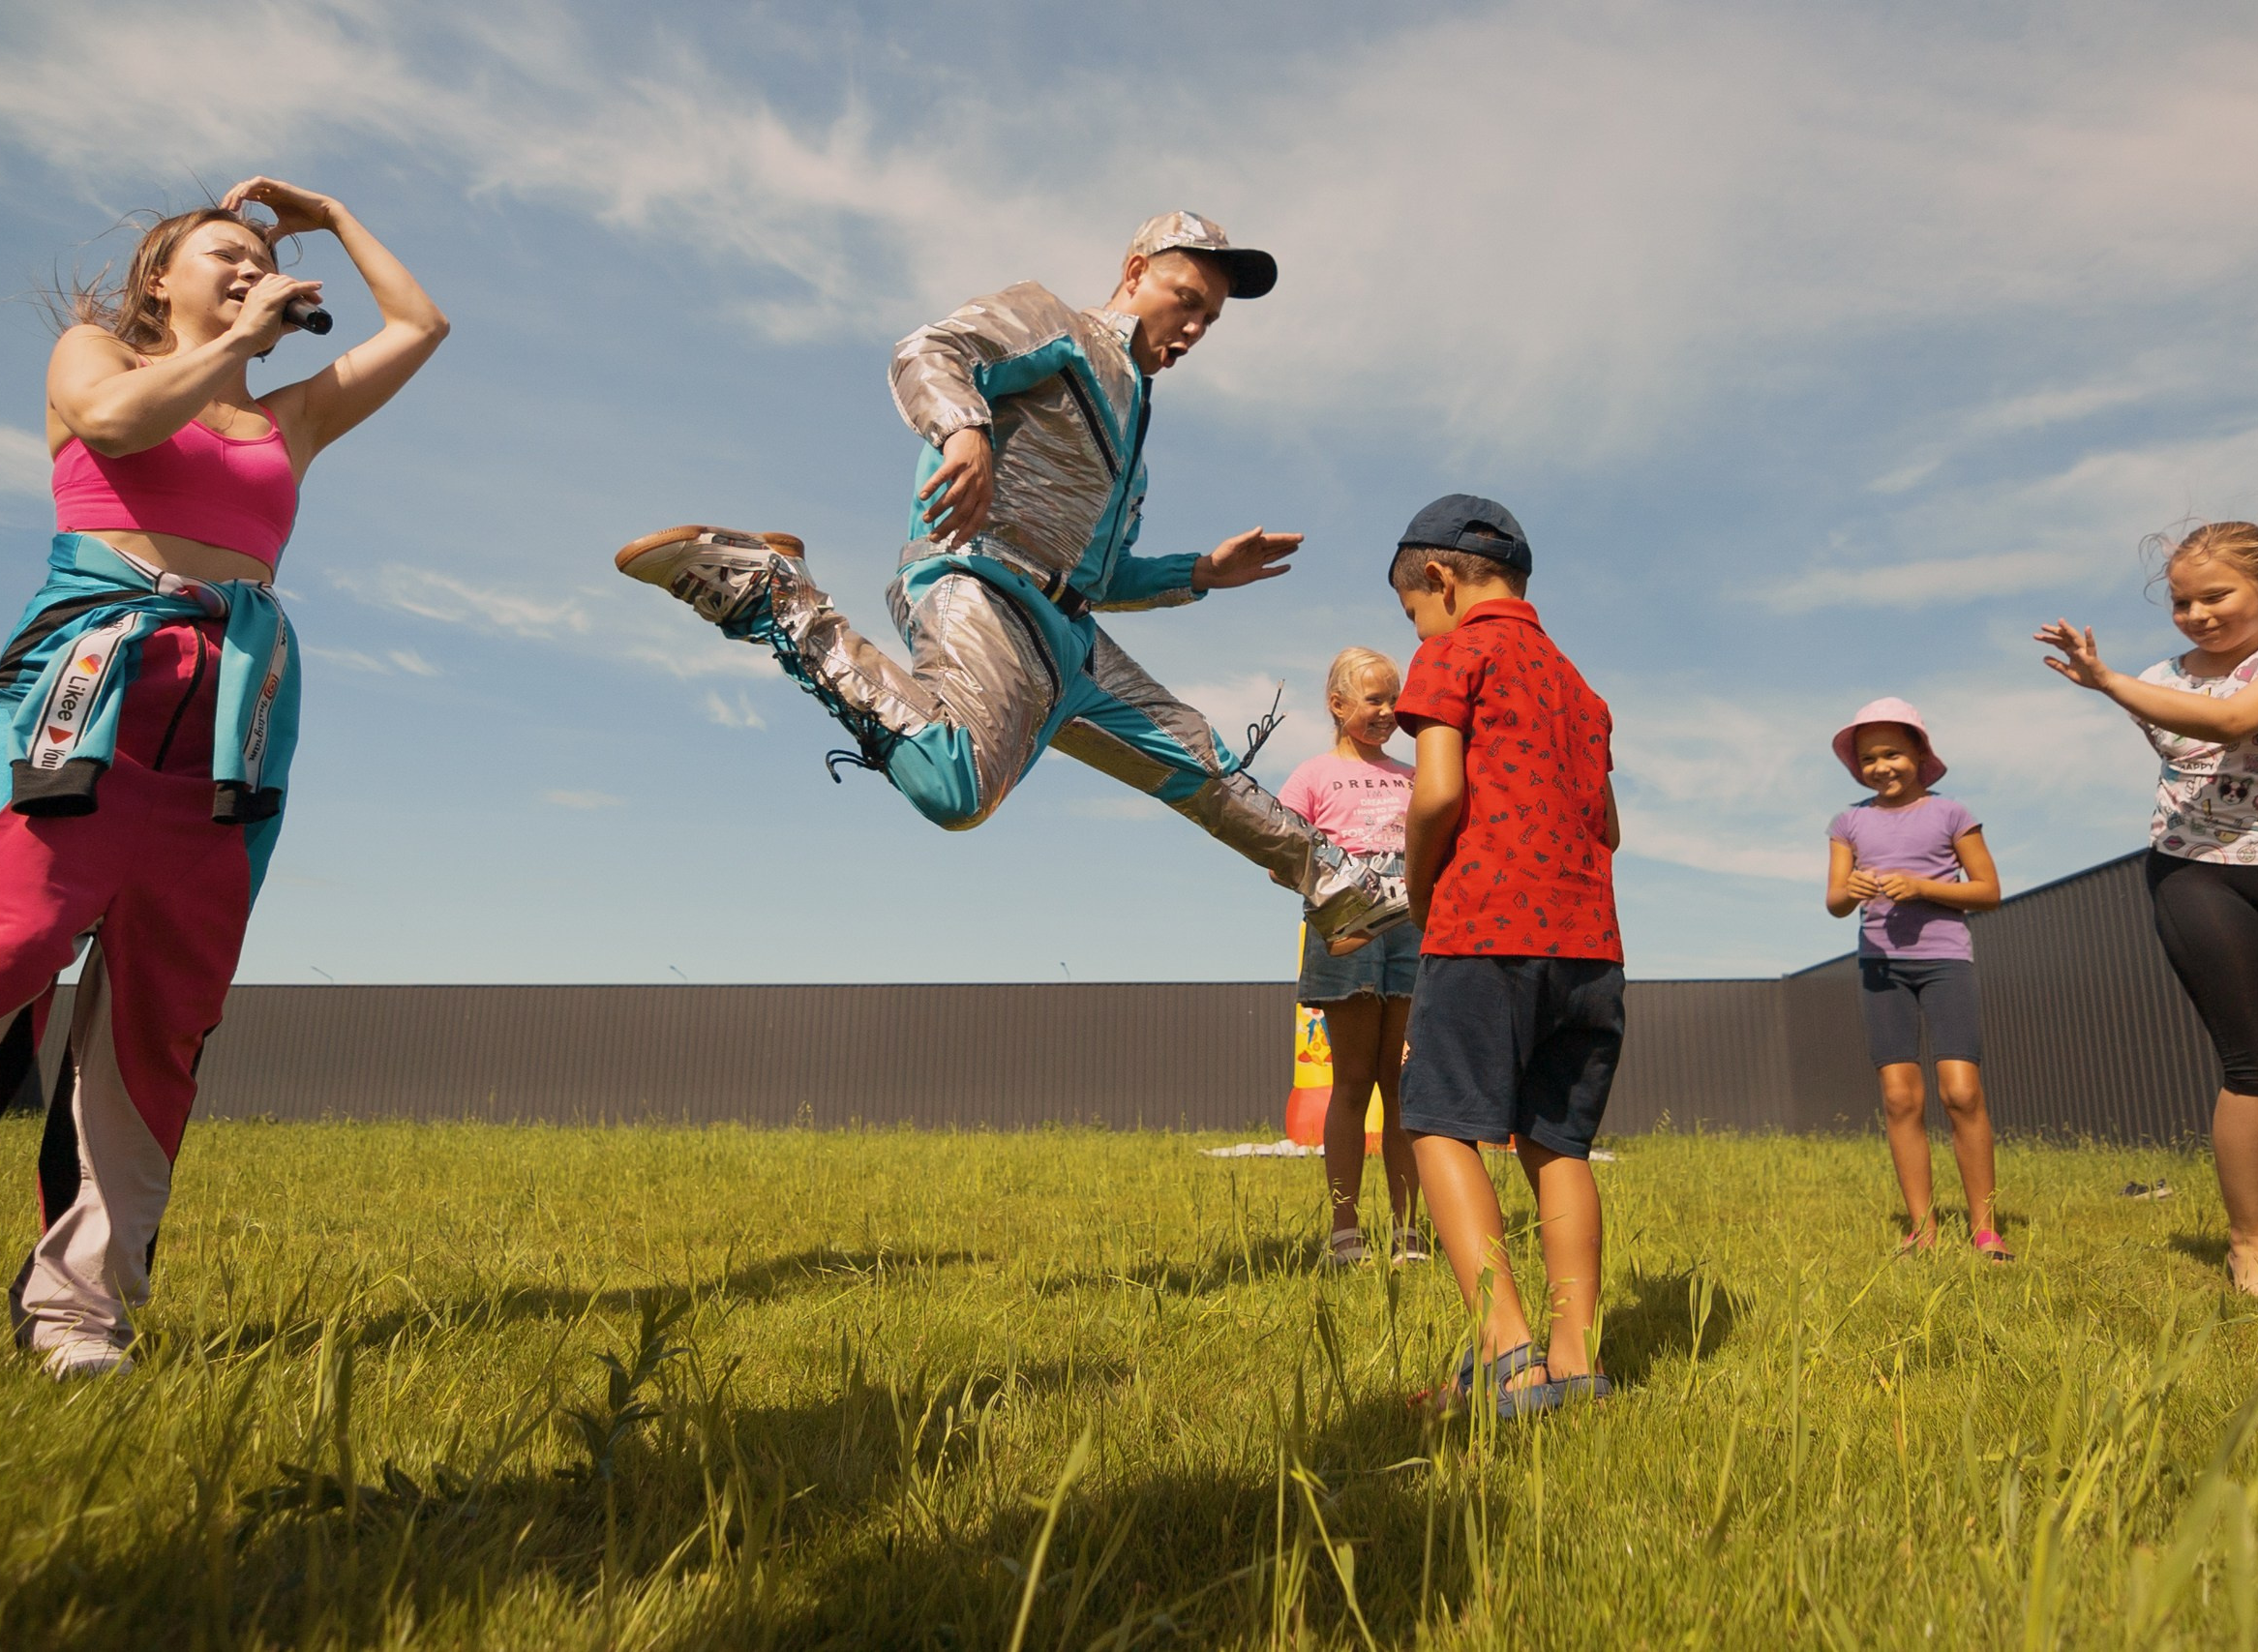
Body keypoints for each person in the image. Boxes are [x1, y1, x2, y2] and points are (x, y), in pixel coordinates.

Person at [0, 181, 447, 1372]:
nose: (248, 267)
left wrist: (326, 215)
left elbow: (419, 326)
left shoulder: (292, 421)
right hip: (84, 691)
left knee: (162, 1016)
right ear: (157, 281)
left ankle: (81, 1312)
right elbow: (116, 425)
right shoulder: (92, 356)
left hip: (233, 720)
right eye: (223, 254)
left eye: (260, 259)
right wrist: (234, 337)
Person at [609, 212, 1404, 944]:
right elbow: (928, 350)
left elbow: (1098, 574)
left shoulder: (1135, 435)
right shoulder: (1057, 324)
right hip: (983, 587)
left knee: (1199, 760)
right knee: (956, 789)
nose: (1193, 328)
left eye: (1210, 319)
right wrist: (963, 429)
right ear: (1135, 272)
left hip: (1072, 641)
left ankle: (1340, 882)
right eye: (1185, 299)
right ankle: (774, 596)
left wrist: (1198, 571)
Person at [2036, 520, 2258, 1299]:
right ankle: (2249, 1244)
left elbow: (2238, 721)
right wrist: (2116, 681)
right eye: (2181, 601)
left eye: (2216, 594)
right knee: (2256, 1060)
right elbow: (2209, 727)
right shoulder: (2160, 678)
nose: (2197, 613)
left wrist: (2107, 681)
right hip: (2197, 876)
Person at [1389, 495, 1622, 1418]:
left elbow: (1438, 792)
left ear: (1438, 580)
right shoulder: (1579, 685)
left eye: (1413, 608)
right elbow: (1608, 822)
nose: (1416, 625)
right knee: (1556, 1142)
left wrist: (1418, 887)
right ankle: (1577, 1362)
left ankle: (1507, 1355)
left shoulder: (1453, 652)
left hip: (1485, 926)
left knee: (1437, 1120)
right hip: (1590, 945)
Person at [1822, 700, 2009, 1260]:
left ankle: (1984, 1227)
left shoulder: (1952, 814)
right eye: (1870, 758)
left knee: (1961, 1092)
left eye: (1894, 753)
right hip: (1880, 969)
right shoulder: (1847, 823)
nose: (1882, 766)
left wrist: (1922, 886)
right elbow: (1834, 901)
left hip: (1945, 963)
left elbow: (1989, 891)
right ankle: (1922, 1230)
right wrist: (1848, 891)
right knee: (1901, 1099)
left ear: (1920, 755)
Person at [1280, 646, 1424, 1267]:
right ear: (1337, 705)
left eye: (1395, 699)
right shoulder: (1312, 776)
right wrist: (1340, 891)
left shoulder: (1416, 774)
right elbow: (1280, 855)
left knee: (1403, 1084)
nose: (1388, 711)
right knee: (1353, 1080)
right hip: (1346, 932)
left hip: (1412, 931)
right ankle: (1345, 1231)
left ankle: (1409, 1231)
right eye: (1374, 700)